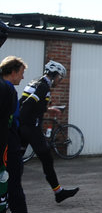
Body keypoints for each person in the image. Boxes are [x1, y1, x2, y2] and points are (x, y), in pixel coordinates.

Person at [18, 60, 79, 205]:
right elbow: (26, 106)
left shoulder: (35, 82)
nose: (60, 81)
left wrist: (48, 109)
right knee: (47, 159)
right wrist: (28, 122)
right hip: (31, 128)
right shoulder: (43, 86)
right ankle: (58, 193)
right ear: (55, 75)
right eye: (60, 78)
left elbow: (24, 102)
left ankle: (6, 194)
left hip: (23, 128)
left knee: (15, 162)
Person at [1, 56, 41, 213]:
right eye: (22, 73)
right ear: (14, 72)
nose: (23, 78)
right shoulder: (8, 89)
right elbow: (11, 119)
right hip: (9, 143)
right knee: (14, 180)